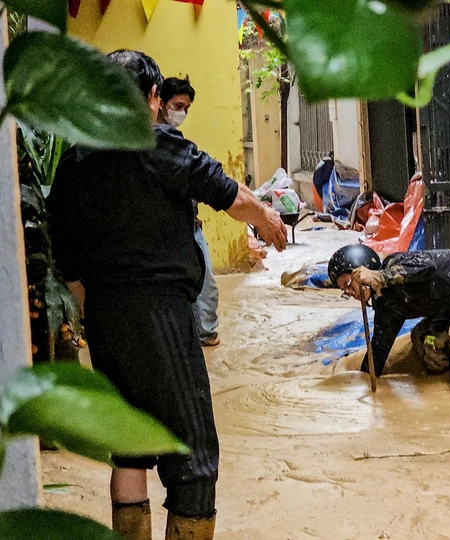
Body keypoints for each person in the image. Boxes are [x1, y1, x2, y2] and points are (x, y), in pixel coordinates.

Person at [47, 50, 287, 540]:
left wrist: (88, 310)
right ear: (154, 97)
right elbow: (226, 191)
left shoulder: (74, 159)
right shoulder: (157, 144)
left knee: (129, 445)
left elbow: (65, 253)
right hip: (159, 314)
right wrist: (267, 217)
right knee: (193, 454)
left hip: (105, 316)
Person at [328, 245, 450, 396]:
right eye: (345, 291)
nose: (350, 292)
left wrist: (380, 276)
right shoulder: (386, 304)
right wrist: (362, 382)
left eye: (349, 284)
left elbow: (426, 267)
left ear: (364, 270)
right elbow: (379, 349)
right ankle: (445, 380)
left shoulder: (396, 264)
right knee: (422, 336)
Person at [159, 76, 220, 346]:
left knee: (206, 286)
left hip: (188, 224)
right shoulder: (155, 143)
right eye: (177, 105)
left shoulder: (176, 141)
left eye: (186, 108)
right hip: (167, 228)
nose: (181, 113)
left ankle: (203, 334)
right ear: (160, 103)